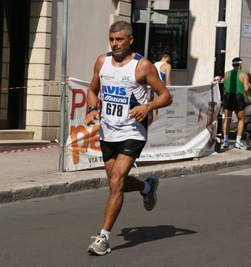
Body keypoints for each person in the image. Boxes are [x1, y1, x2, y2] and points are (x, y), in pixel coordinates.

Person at [84, 21, 172, 256]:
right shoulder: (102, 62)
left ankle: (103, 238)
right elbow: (92, 90)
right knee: (117, 182)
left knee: (115, 182)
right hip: (108, 131)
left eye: (119, 39)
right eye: (112, 39)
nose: (115, 44)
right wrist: (92, 108)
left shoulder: (142, 66)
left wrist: (148, 106)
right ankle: (147, 186)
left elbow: (166, 96)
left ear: (130, 39)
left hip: (133, 132)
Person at [222, 57, 251, 150]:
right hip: (238, 97)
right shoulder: (243, 75)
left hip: (228, 96)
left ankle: (225, 141)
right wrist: (249, 86)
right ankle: (238, 142)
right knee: (241, 120)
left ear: (232, 65)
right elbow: (246, 89)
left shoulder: (226, 74)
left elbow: (224, 86)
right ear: (241, 65)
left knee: (227, 119)